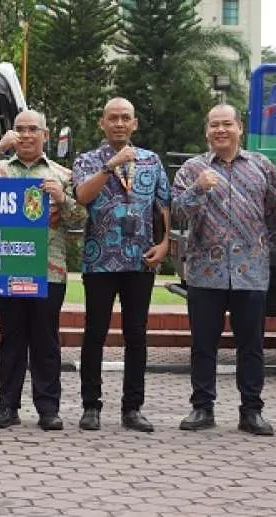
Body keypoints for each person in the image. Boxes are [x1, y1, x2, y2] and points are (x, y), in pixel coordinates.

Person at [0, 110, 86, 431]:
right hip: (8, 268)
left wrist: (62, 199)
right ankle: (6, 406)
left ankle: (48, 408)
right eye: (19, 129)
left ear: (45, 135)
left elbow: (80, 220)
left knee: (46, 342)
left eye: (32, 129)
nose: (25, 135)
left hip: (49, 270)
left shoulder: (62, 174)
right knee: (11, 341)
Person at [171, 104, 276, 436]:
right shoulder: (192, 169)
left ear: (239, 128)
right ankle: (202, 408)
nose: (221, 130)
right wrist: (198, 188)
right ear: (206, 131)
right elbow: (175, 213)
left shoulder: (262, 167)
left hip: (251, 271)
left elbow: (273, 215)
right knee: (203, 344)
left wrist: (256, 246)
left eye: (227, 124)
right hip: (206, 271)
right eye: (214, 125)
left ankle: (252, 411)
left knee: (252, 344)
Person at [72, 97, 170, 433]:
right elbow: (82, 196)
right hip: (100, 260)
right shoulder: (87, 160)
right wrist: (109, 166)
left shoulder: (151, 161)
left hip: (140, 260)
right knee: (94, 334)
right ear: (102, 123)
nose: (118, 123)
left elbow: (163, 205)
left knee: (136, 336)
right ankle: (91, 406)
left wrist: (165, 243)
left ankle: (133, 408)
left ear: (134, 123)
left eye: (125, 118)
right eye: (112, 118)